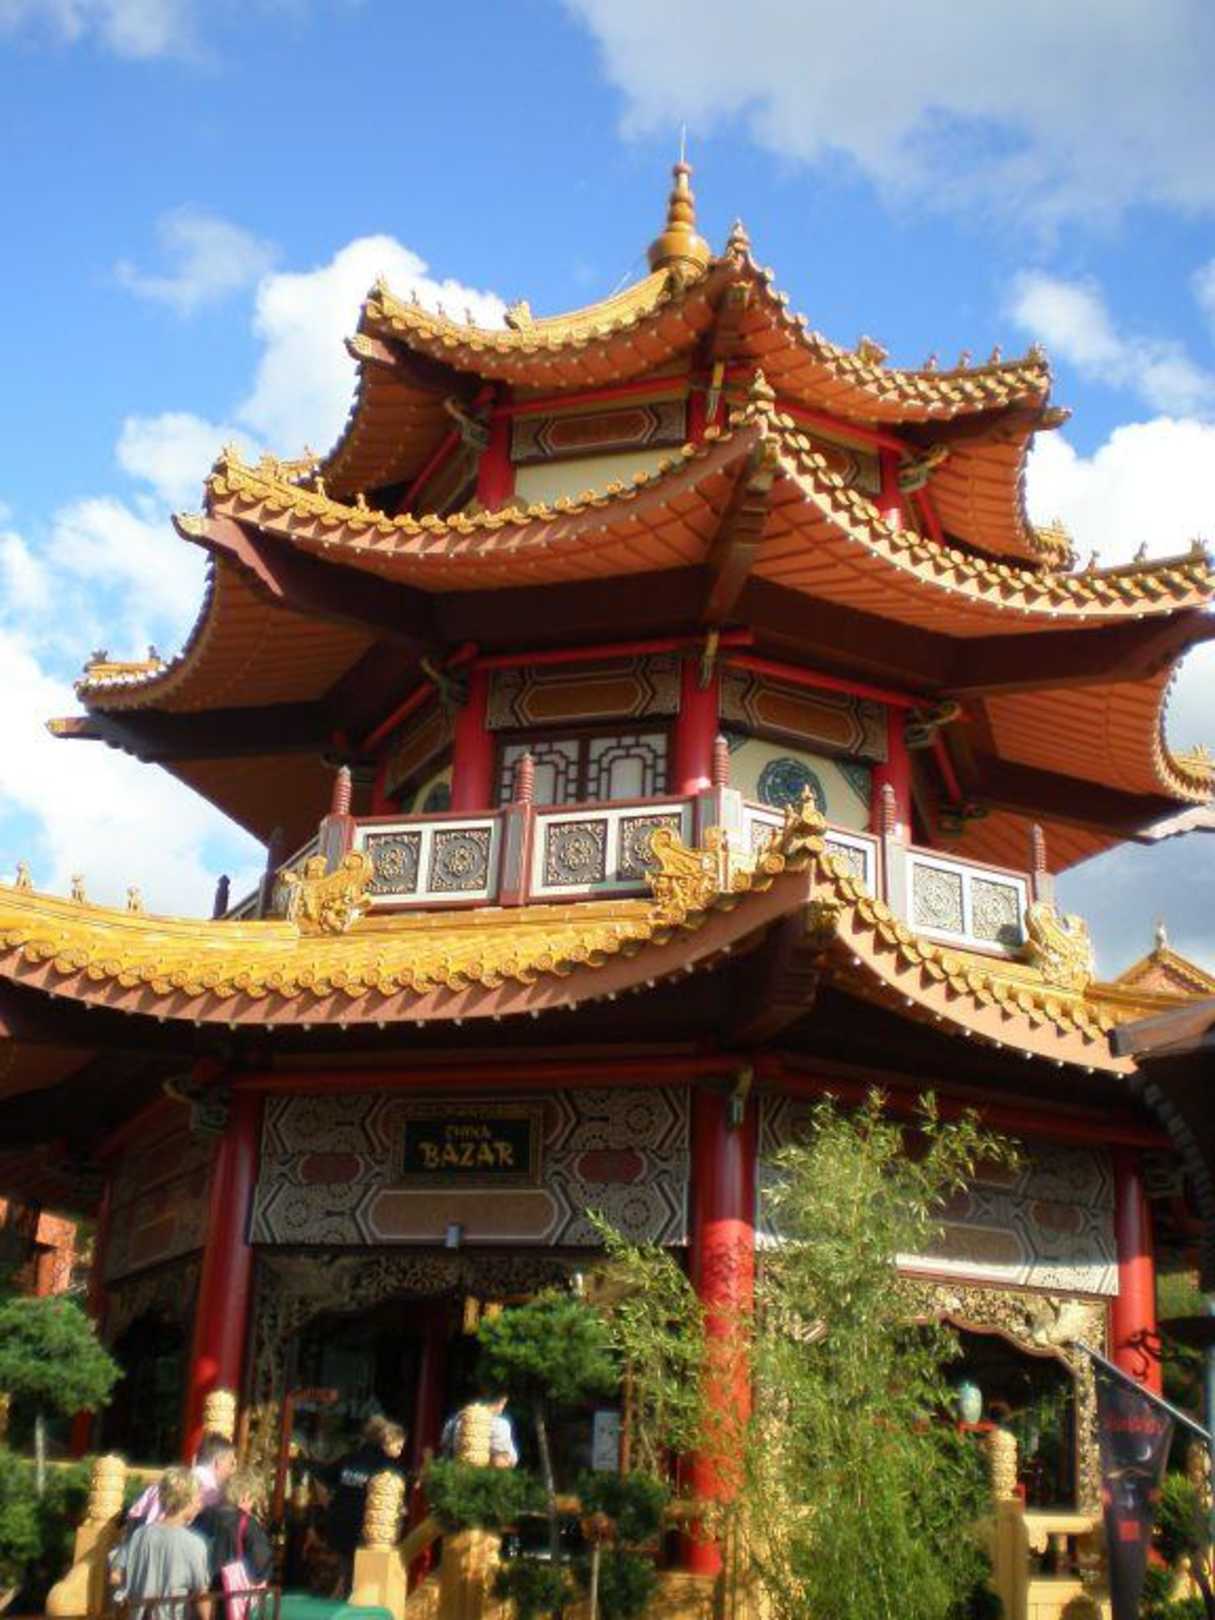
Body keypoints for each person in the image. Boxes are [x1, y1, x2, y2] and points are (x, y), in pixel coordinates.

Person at [319, 1417, 408, 1593]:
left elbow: (322, 1477)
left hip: (339, 1523)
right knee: (359, 1582)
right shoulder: (389, 1468)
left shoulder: (349, 1459)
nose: (400, 1451)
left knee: (344, 1573)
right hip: (367, 1529)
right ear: (387, 1441)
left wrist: (328, 1504)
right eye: (398, 1447)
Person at [111, 1466, 211, 1620]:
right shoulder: (194, 1544)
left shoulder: (139, 1534)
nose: (200, 1506)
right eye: (198, 1500)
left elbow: (116, 1575)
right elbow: (201, 1594)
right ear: (188, 1500)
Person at [194, 1467, 275, 1617]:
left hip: (200, 1595)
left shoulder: (202, 1516)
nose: (252, 1505)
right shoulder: (248, 1523)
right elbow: (261, 1564)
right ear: (245, 1496)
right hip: (229, 1596)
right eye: (253, 1499)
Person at [127, 1434, 237, 1528]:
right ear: (217, 1463)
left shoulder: (163, 1483)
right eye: (231, 1463)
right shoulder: (211, 1493)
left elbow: (134, 1516)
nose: (233, 1470)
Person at [440, 1392, 518, 1469]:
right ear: (500, 1402)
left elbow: (446, 1451)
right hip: (482, 1474)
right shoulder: (500, 1424)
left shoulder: (455, 1421)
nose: (502, 1409)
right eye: (503, 1404)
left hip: (458, 1472)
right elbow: (499, 1461)